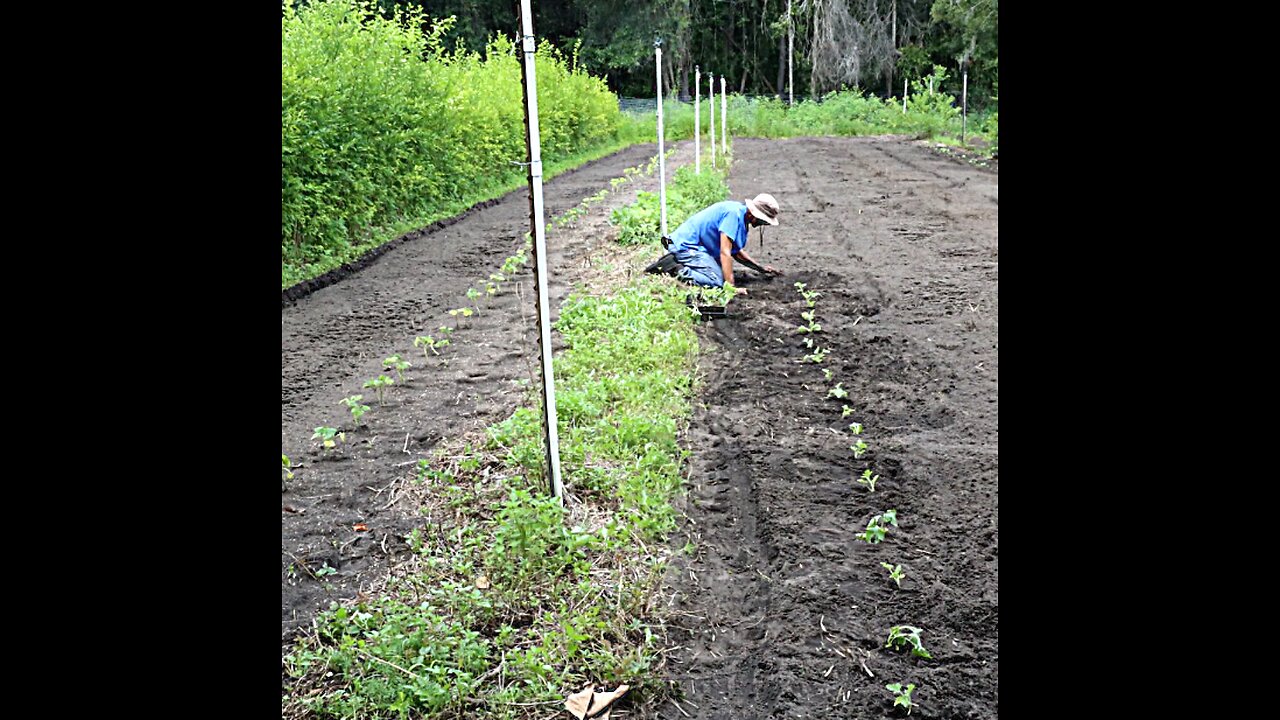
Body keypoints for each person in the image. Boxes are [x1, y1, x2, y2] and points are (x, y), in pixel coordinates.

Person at [645, 193, 782, 293]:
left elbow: (736, 252)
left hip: (695, 248)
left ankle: (682, 265)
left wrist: (760, 268)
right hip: (687, 247)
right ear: (753, 215)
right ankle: (675, 268)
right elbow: (725, 252)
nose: (764, 224)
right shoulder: (733, 215)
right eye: (763, 221)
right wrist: (730, 287)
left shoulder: (739, 214)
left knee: (723, 274)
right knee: (716, 282)